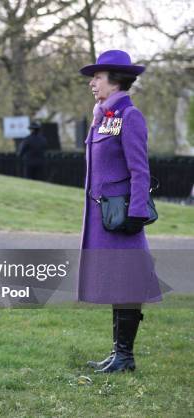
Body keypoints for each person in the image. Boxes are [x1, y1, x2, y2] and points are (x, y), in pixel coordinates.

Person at [77, 50, 162, 373]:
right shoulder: (103, 116)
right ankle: (119, 354)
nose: (92, 83)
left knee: (128, 281)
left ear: (115, 80)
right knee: (117, 281)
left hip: (123, 217)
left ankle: (125, 357)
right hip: (103, 217)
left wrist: (136, 215)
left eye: (97, 77)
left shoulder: (130, 116)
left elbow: (140, 170)